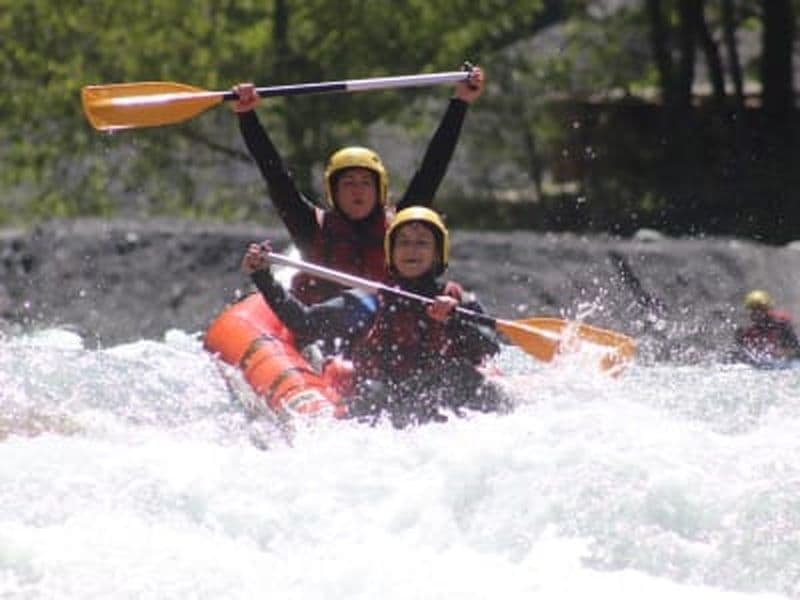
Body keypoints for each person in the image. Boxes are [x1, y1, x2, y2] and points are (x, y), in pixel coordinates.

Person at [232, 65, 485, 304]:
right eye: (348, 183)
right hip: (316, 324)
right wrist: (247, 116)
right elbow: (275, 174)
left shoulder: (400, 225)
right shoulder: (309, 226)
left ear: (379, 190)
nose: (358, 190)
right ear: (334, 192)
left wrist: (460, 102)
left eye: (366, 182)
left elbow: (433, 167)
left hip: (382, 325)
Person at [241, 206, 507, 427]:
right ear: (391, 252)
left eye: (422, 243)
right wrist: (263, 277)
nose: (411, 250)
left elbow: (491, 348)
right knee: (373, 390)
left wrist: (455, 321)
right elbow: (304, 323)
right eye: (403, 243)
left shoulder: (458, 301)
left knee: (462, 375)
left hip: (443, 398)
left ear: (438, 254)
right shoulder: (371, 300)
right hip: (390, 400)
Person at [734, 289, 800, 365]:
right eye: (753, 310)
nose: (756, 313)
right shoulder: (746, 331)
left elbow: (796, 350)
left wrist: (779, 353)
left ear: (766, 310)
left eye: (760, 309)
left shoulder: (781, 325)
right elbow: (744, 353)